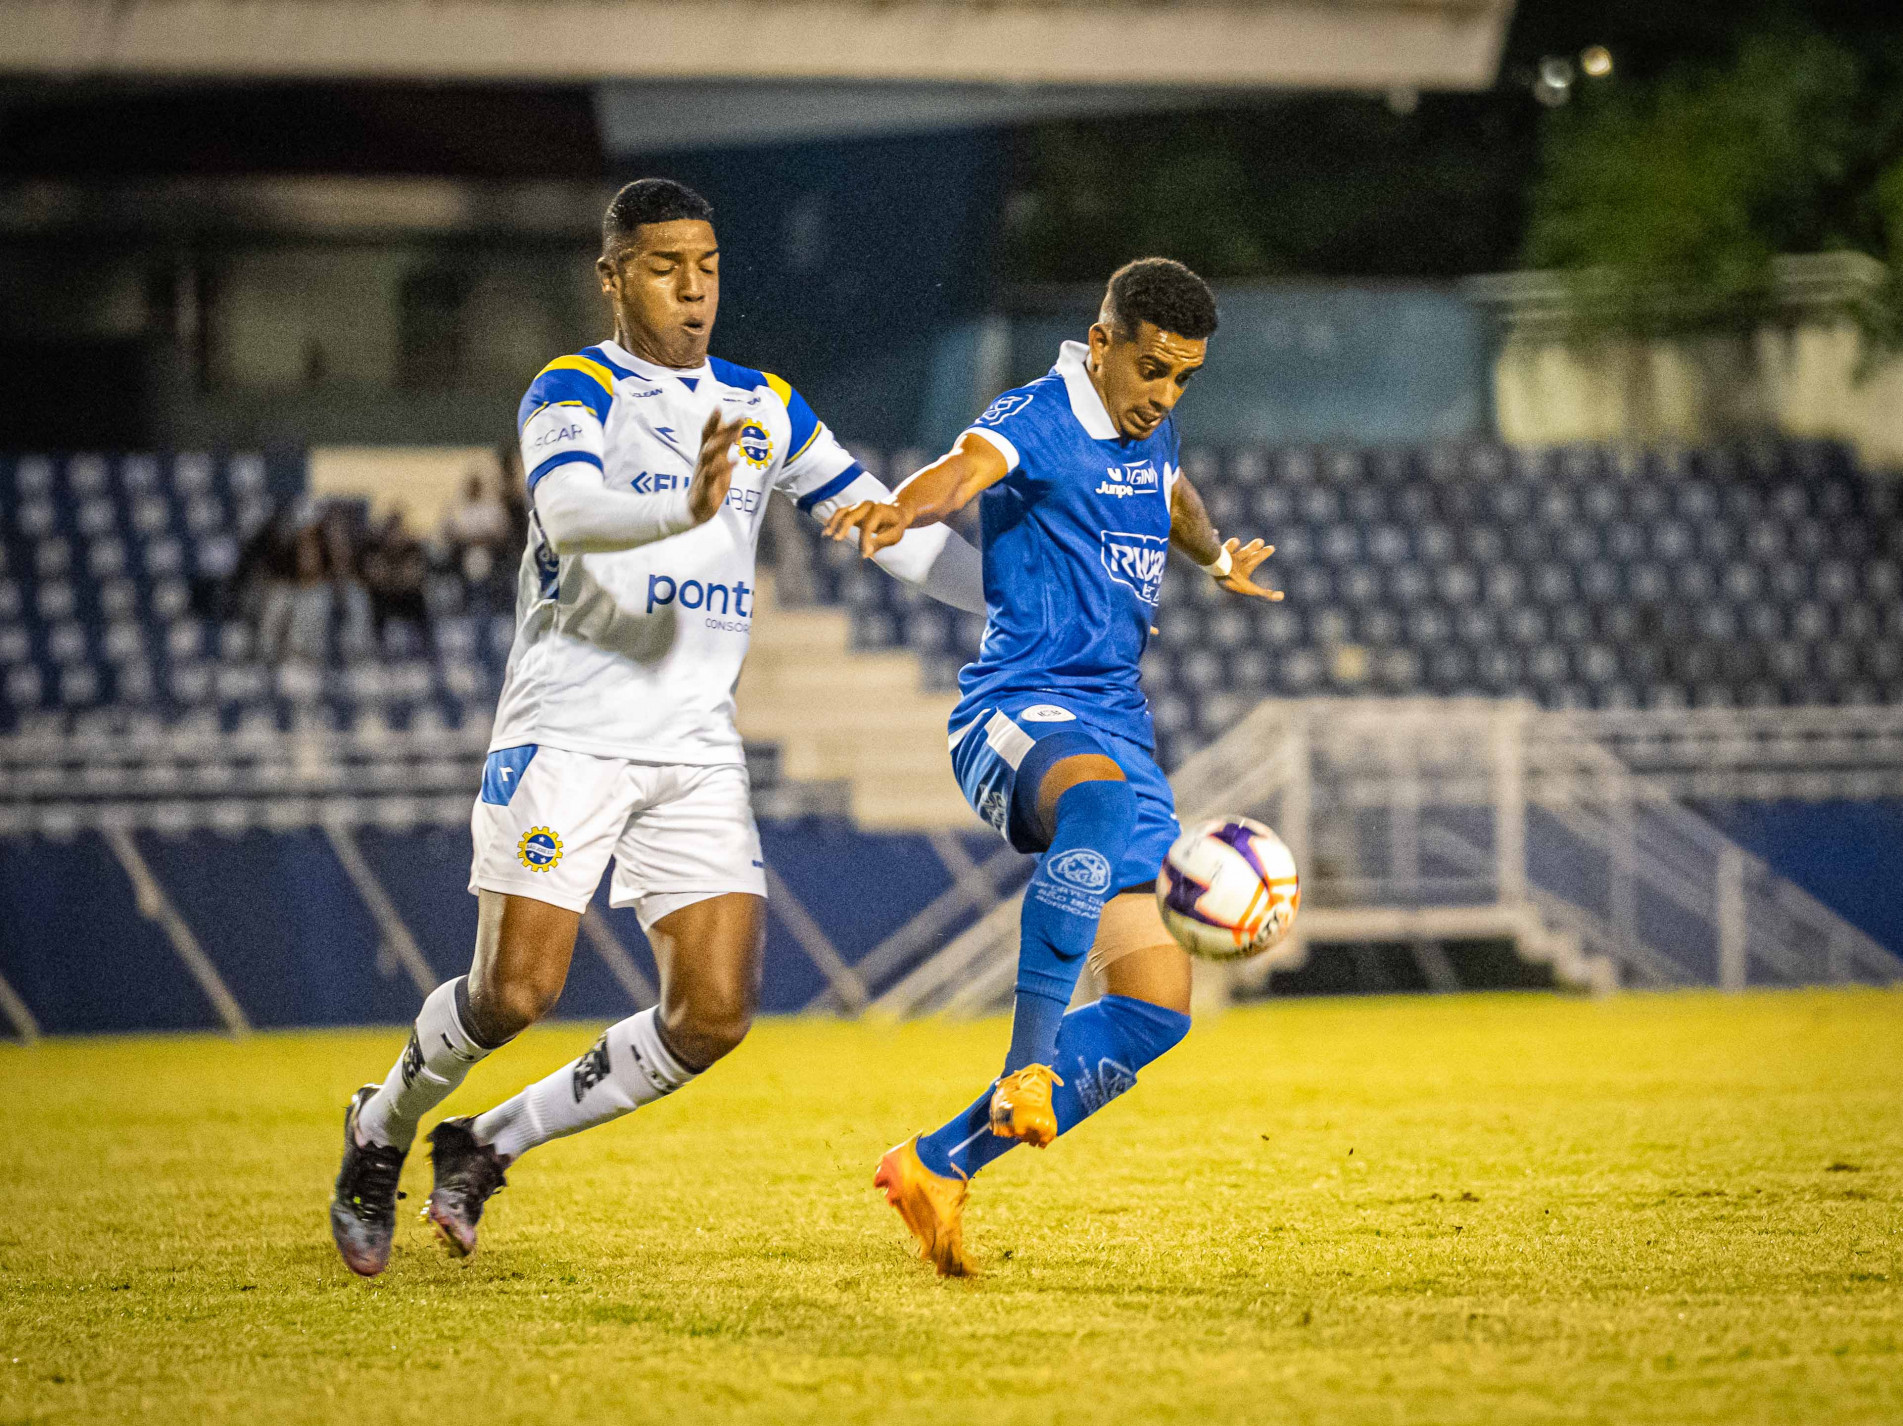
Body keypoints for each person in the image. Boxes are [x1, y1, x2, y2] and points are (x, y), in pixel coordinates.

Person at [328, 178, 986, 1277]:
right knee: (512, 996)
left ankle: (486, 1140)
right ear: (613, 276)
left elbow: (885, 526)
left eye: (709, 265)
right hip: (568, 732)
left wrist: (1015, 601)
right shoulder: (573, 386)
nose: (693, 288)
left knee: (713, 1014)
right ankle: (379, 1127)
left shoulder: (765, 402)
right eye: (664, 265)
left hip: (692, 746)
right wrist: (679, 507)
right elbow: (573, 513)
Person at [825, 258, 1281, 1276]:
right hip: (1016, 710)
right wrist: (902, 508)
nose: (1162, 395)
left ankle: (937, 1162)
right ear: (1103, 337)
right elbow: (959, 473)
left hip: (1119, 725)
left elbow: (1174, 496)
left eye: (1183, 379)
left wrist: (1216, 562)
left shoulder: (1147, 425)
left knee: (1155, 1007)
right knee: (1098, 800)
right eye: (1151, 369)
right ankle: (1025, 1064)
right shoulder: (1038, 411)